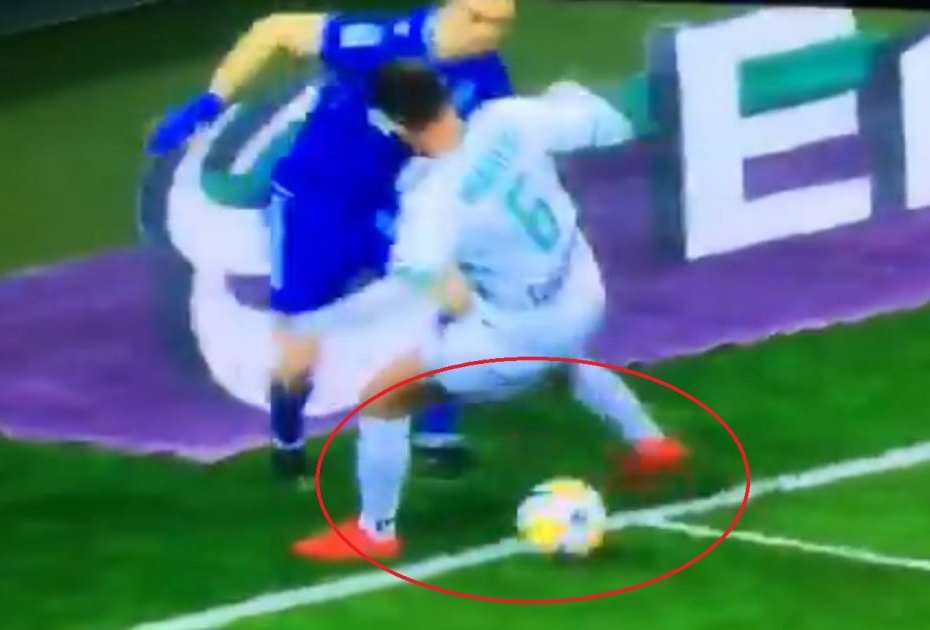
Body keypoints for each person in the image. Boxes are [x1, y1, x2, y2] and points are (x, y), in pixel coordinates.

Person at [293, 60, 689, 560]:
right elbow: (612, 124)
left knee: (384, 396)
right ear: (445, 96)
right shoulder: (509, 119)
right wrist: (568, 94)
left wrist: (447, 295)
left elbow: (421, 276)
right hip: (581, 291)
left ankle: (376, 532)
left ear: (394, 125)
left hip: (517, 333)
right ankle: (652, 445)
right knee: (563, 353)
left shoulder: (432, 197)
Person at [146, 1, 517, 482]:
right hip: (312, 208)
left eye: (502, 23)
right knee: (301, 344)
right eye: (480, 19)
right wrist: (210, 102)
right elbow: (275, 30)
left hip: (382, 206)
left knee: (455, 299)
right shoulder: (382, 41)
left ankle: (436, 436)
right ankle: (288, 443)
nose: (489, 33)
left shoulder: (486, 76)